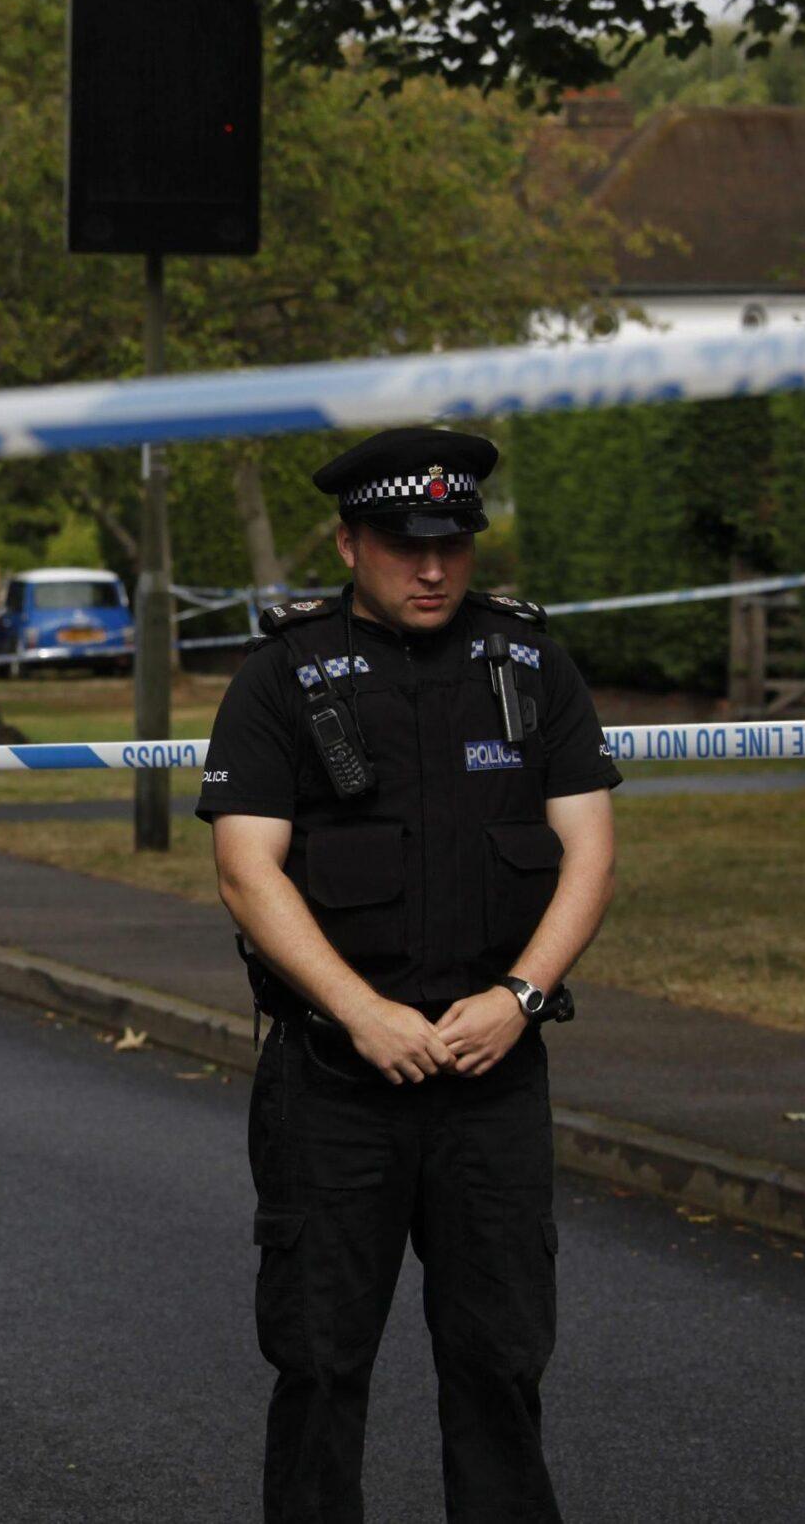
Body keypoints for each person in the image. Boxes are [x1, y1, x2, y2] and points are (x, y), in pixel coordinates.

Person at [196, 427, 620, 1524]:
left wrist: (521, 997)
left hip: (492, 1078)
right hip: (337, 1083)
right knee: (322, 1362)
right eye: (400, 543)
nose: (432, 567)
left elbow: (589, 848)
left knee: (499, 1364)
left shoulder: (531, 666)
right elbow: (247, 870)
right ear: (348, 541)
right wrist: (363, 1013)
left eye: (453, 542)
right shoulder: (280, 676)